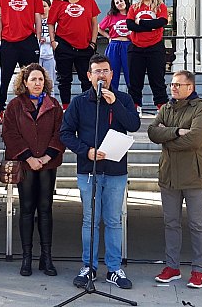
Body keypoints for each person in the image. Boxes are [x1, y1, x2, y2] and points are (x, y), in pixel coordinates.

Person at [60, 54, 141, 290]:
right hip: (89, 170)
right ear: (89, 75)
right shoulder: (79, 102)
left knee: (114, 221)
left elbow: (133, 125)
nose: (102, 75)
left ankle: (114, 268)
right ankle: (89, 267)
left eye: (105, 71)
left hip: (116, 170)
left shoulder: (123, 99)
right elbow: (65, 134)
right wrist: (87, 152)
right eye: (97, 71)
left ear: (111, 74)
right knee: (90, 221)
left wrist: (114, 102)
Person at [147, 70, 202, 289]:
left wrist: (168, 138)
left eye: (178, 85)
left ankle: (198, 270)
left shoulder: (200, 108)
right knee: (170, 223)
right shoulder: (166, 108)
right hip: (169, 176)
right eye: (172, 84)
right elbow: (153, 132)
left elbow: (194, 139)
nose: (173, 88)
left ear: (190, 88)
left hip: (193, 176)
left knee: (197, 225)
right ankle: (172, 267)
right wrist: (177, 132)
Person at [2, 63, 65, 277]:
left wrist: (47, 156)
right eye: (33, 80)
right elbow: (9, 134)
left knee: (46, 209)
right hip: (26, 165)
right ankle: (27, 258)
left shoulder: (54, 105)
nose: (37, 83)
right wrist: (29, 157)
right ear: (25, 83)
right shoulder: (15, 105)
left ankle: (46, 258)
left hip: (48, 164)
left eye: (40, 79)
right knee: (27, 209)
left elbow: (60, 133)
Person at [0, 0, 43, 122]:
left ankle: (31, 106)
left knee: (30, 76)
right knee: (4, 76)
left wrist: (38, 37)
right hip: (8, 40)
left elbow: (38, 18)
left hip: (28, 40)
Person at [48, 0, 100, 109]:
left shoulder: (89, 1)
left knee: (87, 79)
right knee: (64, 79)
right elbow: (51, 22)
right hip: (63, 45)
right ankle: (66, 107)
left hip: (85, 47)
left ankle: (87, 107)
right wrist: (53, 42)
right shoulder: (60, 0)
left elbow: (95, 24)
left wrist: (93, 43)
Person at [126, 0, 169, 112]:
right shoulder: (134, 7)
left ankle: (162, 109)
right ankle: (135, 108)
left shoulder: (160, 7)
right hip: (136, 47)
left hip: (155, 47)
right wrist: (151, 26)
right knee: (134, 81)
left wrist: (142, 23)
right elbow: (130, 25)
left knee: (157, 80)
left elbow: (161, 22)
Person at [98, 0, 131, 90]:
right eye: (117, 3)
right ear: (115, 6)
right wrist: (108, 36)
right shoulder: (111, 16)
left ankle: (135, 102)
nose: (120, 3)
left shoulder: (132, 15)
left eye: (121, 1)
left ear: (125, 1)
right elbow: (99, 28)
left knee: (130, 73)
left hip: (128, 45)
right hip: (114, 45)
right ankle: (111, 98)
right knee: (112, 73)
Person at [39, 0, 56, 91]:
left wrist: (47, 39)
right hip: (38, 54)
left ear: (49, 7)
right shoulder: (35, 21)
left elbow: (56, 36)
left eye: (45, 6)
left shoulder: (53, 22)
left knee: (49, 80)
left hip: (49, 55)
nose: (43, 9)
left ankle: (50, 101)